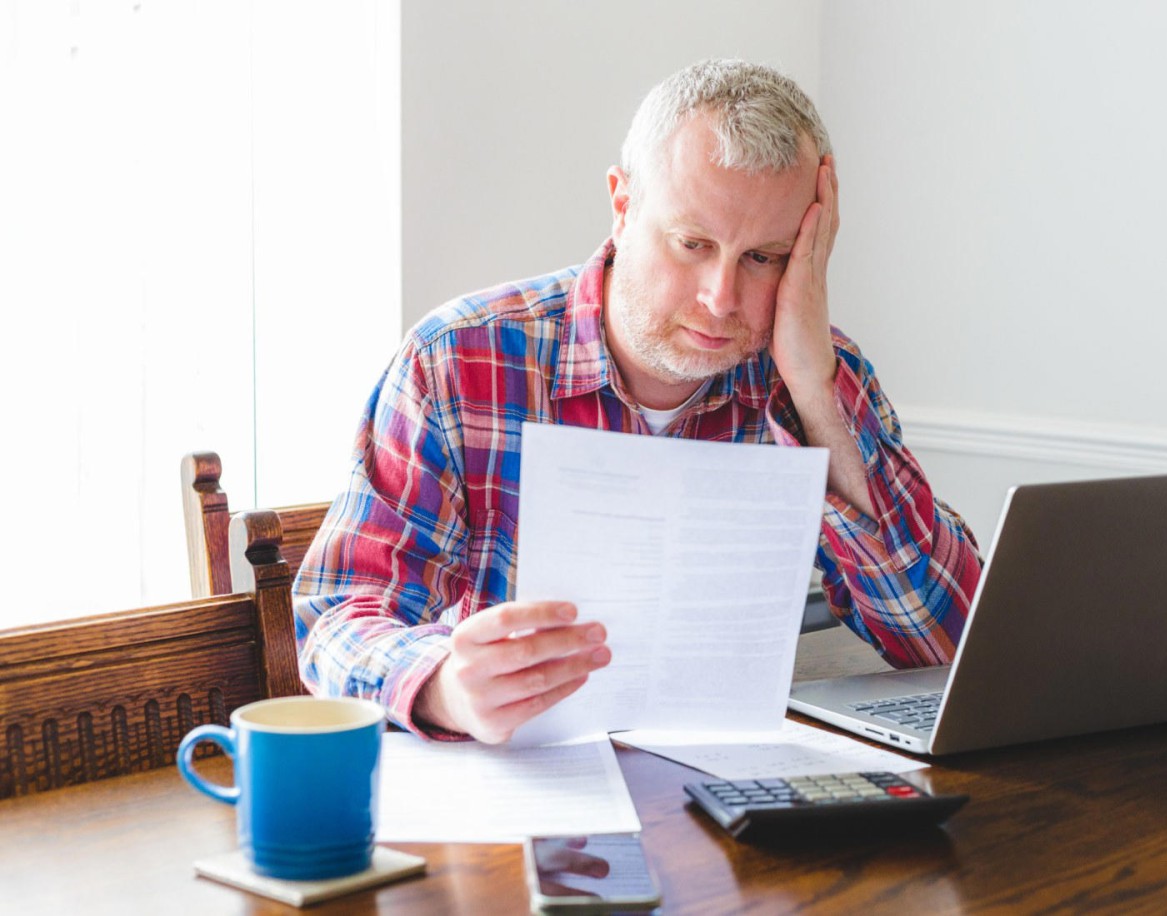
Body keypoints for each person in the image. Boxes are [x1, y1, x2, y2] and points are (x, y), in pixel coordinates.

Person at [294, 59, 983, 743]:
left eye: (764, 258)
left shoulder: (813, 376)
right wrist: (444, 685)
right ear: (623, 205)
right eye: (693, 244)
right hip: (510, 801)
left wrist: (814, 392)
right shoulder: (458, 359)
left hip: (734, 806)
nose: (721, 298)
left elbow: (947, 642)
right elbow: (337, 623)